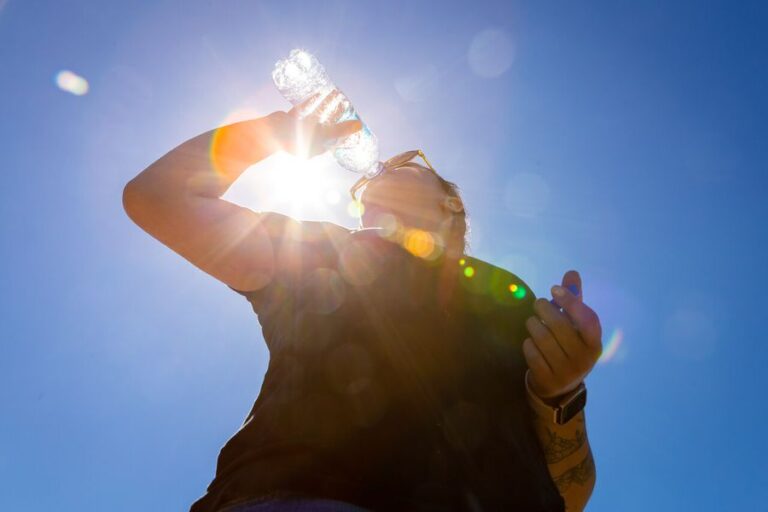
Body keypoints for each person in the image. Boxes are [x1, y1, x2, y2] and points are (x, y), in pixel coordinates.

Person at [123, 96, 603, 512]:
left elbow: (570, 498)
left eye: (405, 164)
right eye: (360, 197)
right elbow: (158, 197)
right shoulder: (325, 251)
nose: (378, 173)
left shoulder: (506, 292)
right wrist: (270, 133)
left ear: (451, 203)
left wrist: (560, 393)